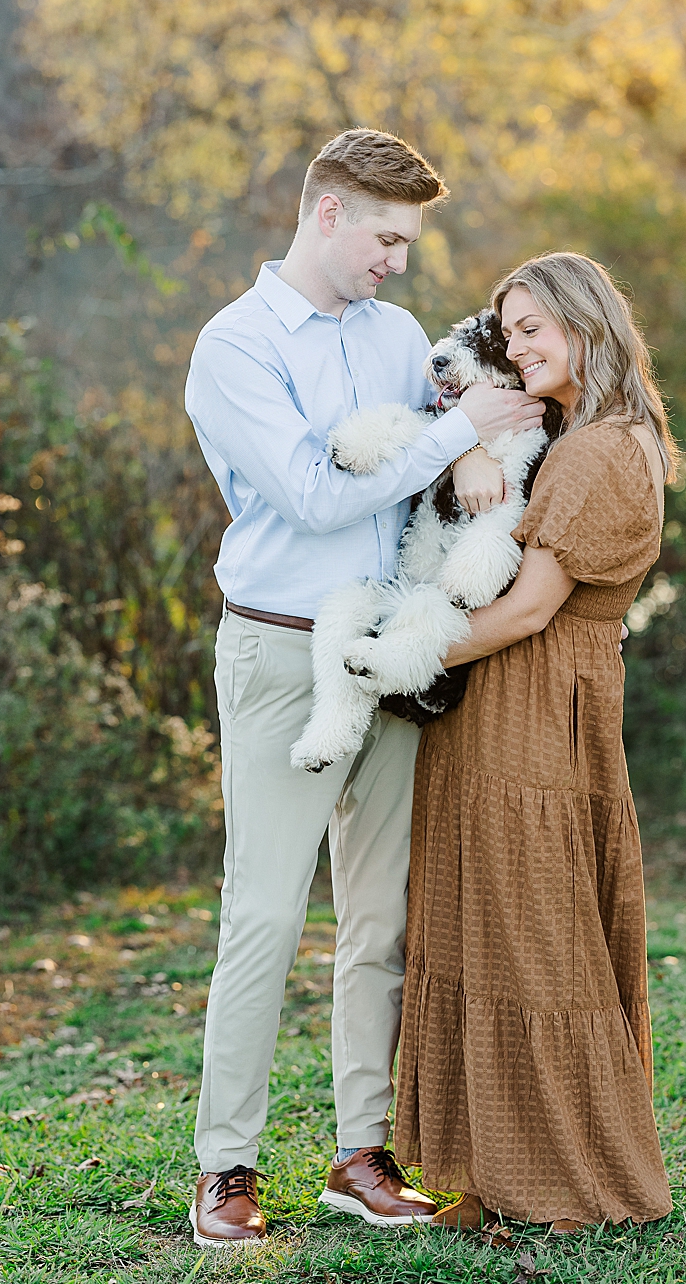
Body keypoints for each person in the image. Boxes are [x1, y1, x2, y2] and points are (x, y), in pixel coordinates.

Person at [183, 129, 546, 1247]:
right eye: (386, 236)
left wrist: (473, 456)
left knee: (380, 917)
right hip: (282, 652)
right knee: (265, 914)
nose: (398, 259)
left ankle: (360, 1154)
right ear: (329, 213)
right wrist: (455, 437)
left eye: (409, 241)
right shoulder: (235, 345)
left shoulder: (398, 337)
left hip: (392, 654)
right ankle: (226, 1169)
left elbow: (437, 455)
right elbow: (311, 496)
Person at [394, 252, 678, 1232]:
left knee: (535, 940)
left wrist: (394, 662)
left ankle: (576, 1183)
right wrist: (467, 447)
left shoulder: (599, 452)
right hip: (528, 706)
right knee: (489, 927)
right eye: (506, 332)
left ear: (586, 325)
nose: (514, 347)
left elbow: (524, 613)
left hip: (530, 704)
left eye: (532, 330)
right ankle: (491, 1171)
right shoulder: (593, 433)